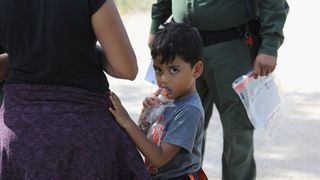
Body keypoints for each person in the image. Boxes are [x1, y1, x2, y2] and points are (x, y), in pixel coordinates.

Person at [0, 0, 151, 179]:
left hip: (21, 135)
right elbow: (126, 69)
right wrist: (77, 49)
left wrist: (29, 55)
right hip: (85, 134)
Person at [148, 0, 289, 179]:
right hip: (180, 48)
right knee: (179, 128)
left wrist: (269, 46)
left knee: (237, 134)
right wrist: (156, 25)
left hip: (231, 47)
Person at [109, 23, 207, 180]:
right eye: (158, 70)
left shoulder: (189, 110)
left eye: (174, 70)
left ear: (196, 70)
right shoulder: (166, 101)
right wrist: (147, 114)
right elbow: (141, 140)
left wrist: (127, 121)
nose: (164, 79)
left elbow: (159, 158)